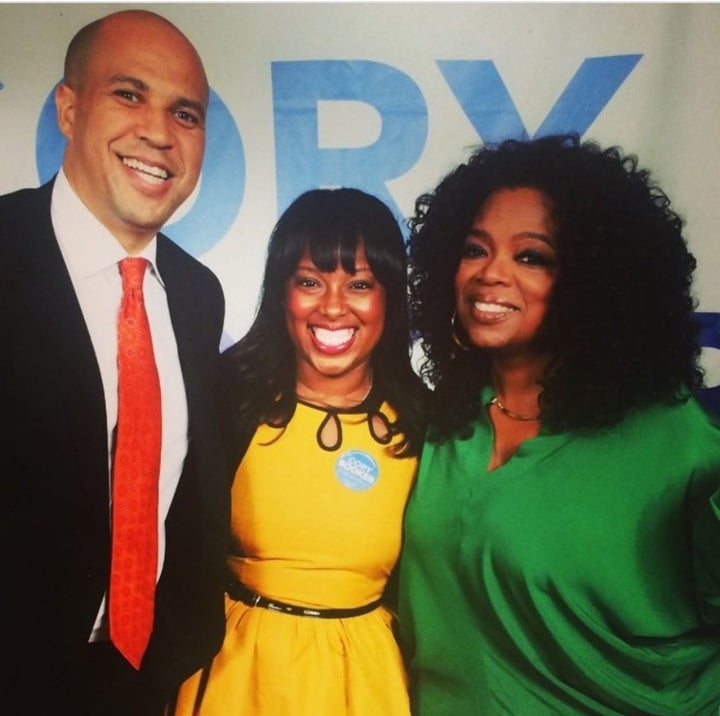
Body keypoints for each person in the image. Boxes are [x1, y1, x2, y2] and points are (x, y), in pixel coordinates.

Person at [398, 135, 720, 715]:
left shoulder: (671, 436)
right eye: (474, 249)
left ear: (597, 288)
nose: (489, 274)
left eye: (531, 257)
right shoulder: (446, 416)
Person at [0, 10, 230, 714]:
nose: (159, 133)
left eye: (184, 113)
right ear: (69, 109)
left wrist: (171, 659)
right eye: (129, 94)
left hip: (137, 681)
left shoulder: (198, 295)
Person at [169, 187, 427, 715]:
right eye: (309, 282)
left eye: (360, 284)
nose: (332, 307)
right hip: (235, 673)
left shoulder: (424, 422)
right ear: (280, 290)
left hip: (366, 679)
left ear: (390, 298)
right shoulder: (223, 397)